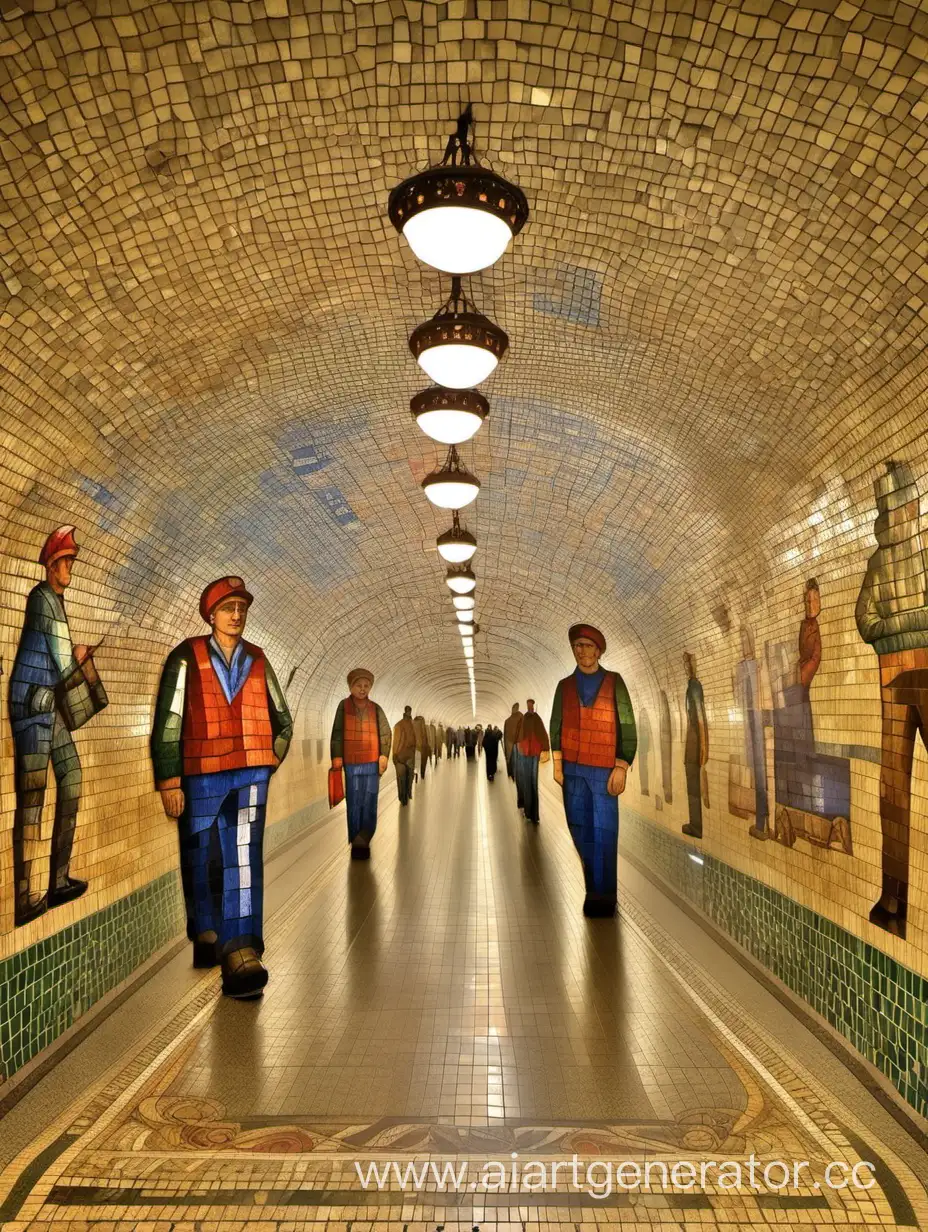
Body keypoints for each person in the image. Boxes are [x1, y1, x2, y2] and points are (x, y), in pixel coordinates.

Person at [151, 576, 292, 998]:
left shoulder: (259, 659)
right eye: (228, 608)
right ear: (211, 614)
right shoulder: (185, 658)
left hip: (250, 772)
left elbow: (282, 718)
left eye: (242, 608)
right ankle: (206, 931)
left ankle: (242, 951)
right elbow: (169, 721)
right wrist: (169, 779)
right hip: (200, 773)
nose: (236, 615)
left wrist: (271, 759)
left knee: (243, 859)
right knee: (201, 858)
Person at [10, 526, 109, 925]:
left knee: (72, 778)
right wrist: (80, 658)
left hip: (51, 704)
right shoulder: (43, 600)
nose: (71, 567)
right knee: (33, 797)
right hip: (33, 706)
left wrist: (75, 655)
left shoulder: (57, 601)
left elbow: (61, 654)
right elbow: (62, 657)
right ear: (52, 564)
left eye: (71, 560)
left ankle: (58, 879)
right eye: (66, 561)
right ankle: (24, 894)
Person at [856, 460, 928, 937]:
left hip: (919, 671)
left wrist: (895, 631)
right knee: (891, 793)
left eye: (898, 505)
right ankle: (893, 897)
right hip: (892, 682)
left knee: (896, 793)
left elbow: (878, 623)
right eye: (888, 508)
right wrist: (913, 625)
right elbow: (865, 620)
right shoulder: (879, 562)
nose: (895, 515)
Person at [550, 624, 637, 918]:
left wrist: (622, 765)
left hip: (603, 771)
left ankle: (604, 896)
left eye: (588, 646)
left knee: (604, 832)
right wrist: (558, 764)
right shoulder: (564, 686)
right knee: (580, 830)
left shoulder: (615, 682)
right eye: (578, 646)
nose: (583, 651)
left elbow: (627, 725)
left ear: (598, 651)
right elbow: (556, 725)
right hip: (573, 771)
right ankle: (593, 887)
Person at [331, 668, 391, 860]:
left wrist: (384, 755)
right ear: (350, 686)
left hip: (371, 764)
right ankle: (356, 838)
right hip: (352, 765)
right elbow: (337, 733)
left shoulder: (376, 708)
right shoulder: (343, 706)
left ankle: (365, 837)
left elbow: (385, 733)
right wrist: (336, 757)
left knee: (370, 801)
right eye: (359, 685)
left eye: (366, 686)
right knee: (355, 801)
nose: (363, 689)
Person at [681, 652, 709, 839]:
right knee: (692, 786)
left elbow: (699, 717)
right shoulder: (693, 685)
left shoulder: (694, 686)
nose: (685, 668)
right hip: (693, 741)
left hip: (694, 742)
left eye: (687, 664)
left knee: (693, 786)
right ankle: (695, 823)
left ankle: (696, 826)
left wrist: (703, 747)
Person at [515, 700, 550, 823]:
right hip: (531, 752)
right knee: (531, 782)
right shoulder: (534, 718)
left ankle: (531, 813)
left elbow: (520, 736)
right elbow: (542, 733)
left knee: (528, 781)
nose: (530, 706)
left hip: (529, 752)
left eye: (530, 705)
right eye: (529, 705)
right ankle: (532, 814)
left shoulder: (527, 718)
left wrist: (546, 748)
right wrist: (545, 747)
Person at [392, 705, 416, 806]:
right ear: (407, 712)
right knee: (407, 777)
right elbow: (396, 741)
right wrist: (395, 754)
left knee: (403, 778)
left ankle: (404, 797)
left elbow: (396, 741)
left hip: (404, 755)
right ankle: (405, 796)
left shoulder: (400, 725)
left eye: (409, 711)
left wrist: (395, 754)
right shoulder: (409, 725)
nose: (409, 713)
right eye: (409, 711)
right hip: (405, 755)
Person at [503, 703, 523, 780]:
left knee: (511, 758)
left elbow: (505, 735)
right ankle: (516, 775)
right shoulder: (521, 717)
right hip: (518, 743)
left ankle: (512, 773)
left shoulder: (507, 721)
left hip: (510, 743)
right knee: (518, 760)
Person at [413, 713, 431, 780]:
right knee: (423, 761)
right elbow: (428, 737)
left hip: (414, 747)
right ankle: (422, 774)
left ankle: (416, 772)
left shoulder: (412, 724)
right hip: (423, 746)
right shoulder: (426, 726)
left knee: (415, 761)